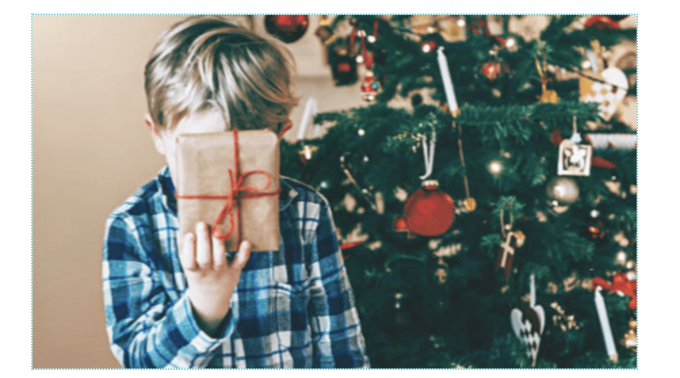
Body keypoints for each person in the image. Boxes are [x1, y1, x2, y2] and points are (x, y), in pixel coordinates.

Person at [102, 15, 369, 368]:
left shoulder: (306, 213)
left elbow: (341, 349)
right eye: (200, 154)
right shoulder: (132, 227)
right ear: (158, 134)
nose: (223, 178)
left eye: (240, 153)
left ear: (278, 136)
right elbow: (138, 362)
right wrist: (204, 303)